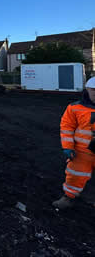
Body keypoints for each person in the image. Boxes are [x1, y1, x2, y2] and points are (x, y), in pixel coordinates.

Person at [53, 76, 95, 209]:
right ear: (87, 90)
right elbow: (67, 128)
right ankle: (69, 197)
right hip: (82, 151)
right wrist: (68, 147)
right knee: (76, 175)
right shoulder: (74, 108)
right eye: (94, 90)